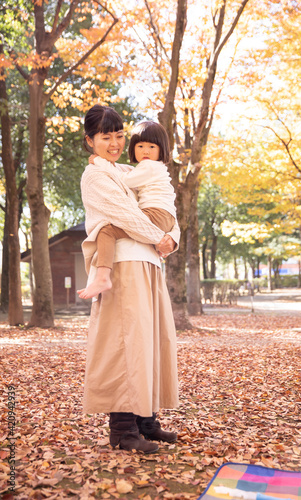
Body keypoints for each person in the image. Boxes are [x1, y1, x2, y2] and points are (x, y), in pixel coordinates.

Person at [79, 104, 179, 454]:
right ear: (90, 140)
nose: (115, 143)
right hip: (121, 266)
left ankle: (145, 421)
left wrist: (171, 238)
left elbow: (166, 204)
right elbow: (123, 214)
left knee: (150, 343)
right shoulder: (96, 176)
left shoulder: (128, 169)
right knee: (125, 344)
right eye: (106, 137)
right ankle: (122, 430)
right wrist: (157, 236)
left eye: (120, 136)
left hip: (150, 262)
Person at [77, 121, 177, 300]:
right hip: (164, 218)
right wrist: (167, 236)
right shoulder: (150, 169)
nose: (145, 151)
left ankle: (102, 277)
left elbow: (125, 180)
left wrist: (100, 162)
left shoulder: (147, 167)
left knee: (106, 230)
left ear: (162, 149)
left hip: (155, 217)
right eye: (140, 146)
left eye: (151, 146)